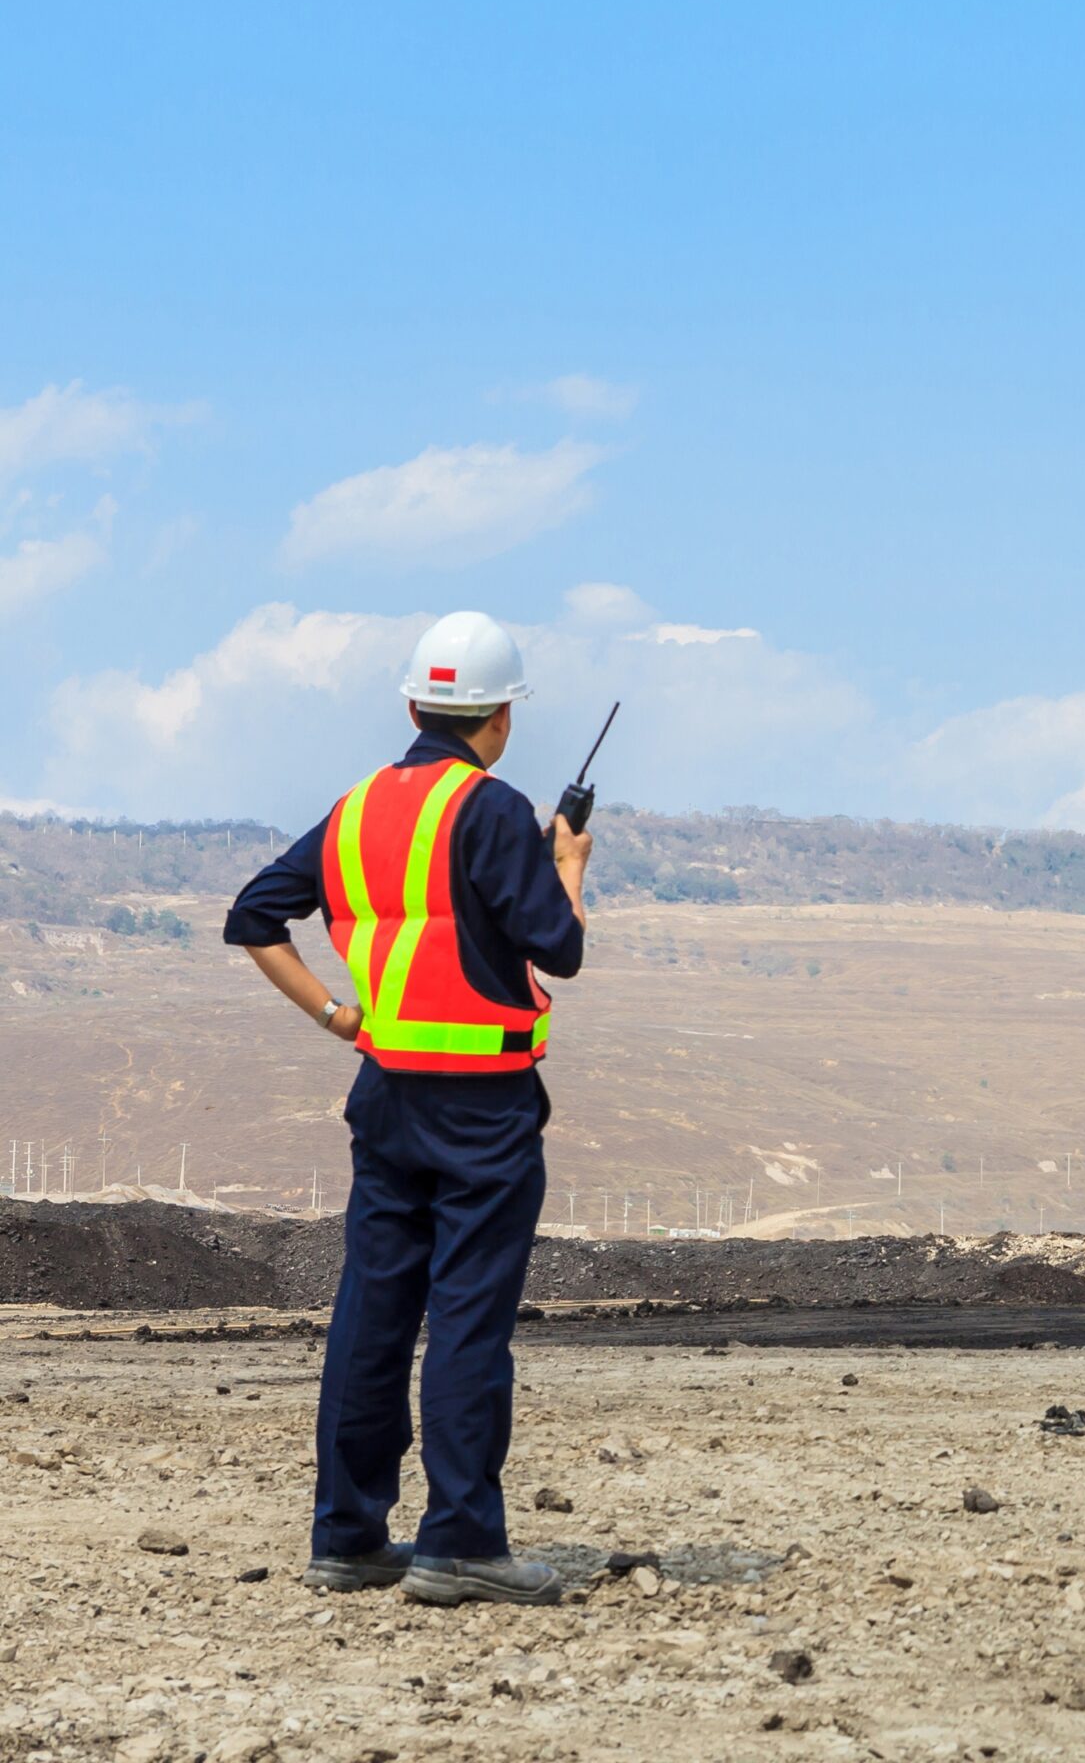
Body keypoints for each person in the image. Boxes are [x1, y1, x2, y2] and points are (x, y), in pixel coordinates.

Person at [224, 611, 590, 1607]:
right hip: (483, 1111)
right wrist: (570, 866)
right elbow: (560, 947)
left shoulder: (351, 813)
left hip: (385, 1099)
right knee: (468, 1318)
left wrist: (339, 1017)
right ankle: (461, 1542)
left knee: (373, 1313)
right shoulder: (494, 810)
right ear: (501, 719)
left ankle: (346, 1537)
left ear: (413, 703)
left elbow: (253, 917)